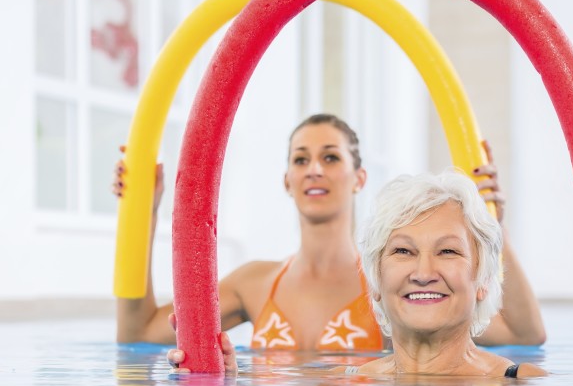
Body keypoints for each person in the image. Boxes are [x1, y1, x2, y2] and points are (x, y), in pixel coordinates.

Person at [114, 113, 546, 351]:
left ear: (359, 178)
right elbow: (138, 334)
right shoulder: (255, 283)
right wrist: (144, 215)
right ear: (287, 180)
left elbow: (524, 337)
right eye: (301, 160)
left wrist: (489, 222)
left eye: (330, 158)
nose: (314, 169)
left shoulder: (394, 282)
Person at [171, 169, 573, 378]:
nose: (423, 272)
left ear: (483, 280)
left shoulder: (520, 384)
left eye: (448, 252)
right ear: (377, 284)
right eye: (403, 252)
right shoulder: (347, 384)